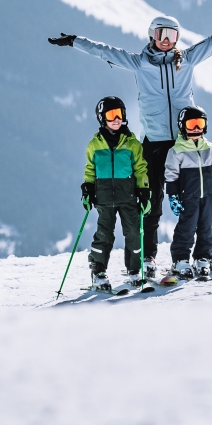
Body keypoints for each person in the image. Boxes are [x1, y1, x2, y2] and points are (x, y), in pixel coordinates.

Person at [49, 12, 212, 275]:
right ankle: (148, 255)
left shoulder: (187, 60)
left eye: (173, 35)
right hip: (156, 144)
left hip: (187, 141)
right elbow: (105, 51)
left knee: (207, 193)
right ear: (152, 35)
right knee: (150, 200)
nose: (167, 40)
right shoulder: (140, 64)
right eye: (162, 34)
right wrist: (75, 41)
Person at [81, 96, 152, 292]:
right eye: (111, 115)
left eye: (120, 114)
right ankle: (98, 271)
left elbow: (141, 169)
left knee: (133, 234)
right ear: (102, 118)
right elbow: (90, 170)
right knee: (104, 235)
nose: (116, 119)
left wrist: (144, 192)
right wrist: (87, 190)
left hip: (128, 197)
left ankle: (134, 271)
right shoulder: (94, 145)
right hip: (103, 199)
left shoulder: (132, 144)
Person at [163, 105, 212, 280]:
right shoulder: (176, 151)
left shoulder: (210, 148)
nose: (196, 128)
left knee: (208, 229)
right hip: (189, 197)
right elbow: (171, 176)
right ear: (182, 125)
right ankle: (180, 259)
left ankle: (202, 257)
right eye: (191, 124)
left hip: (209, 195)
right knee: (187, 228)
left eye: (200, 123)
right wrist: (173, 196)